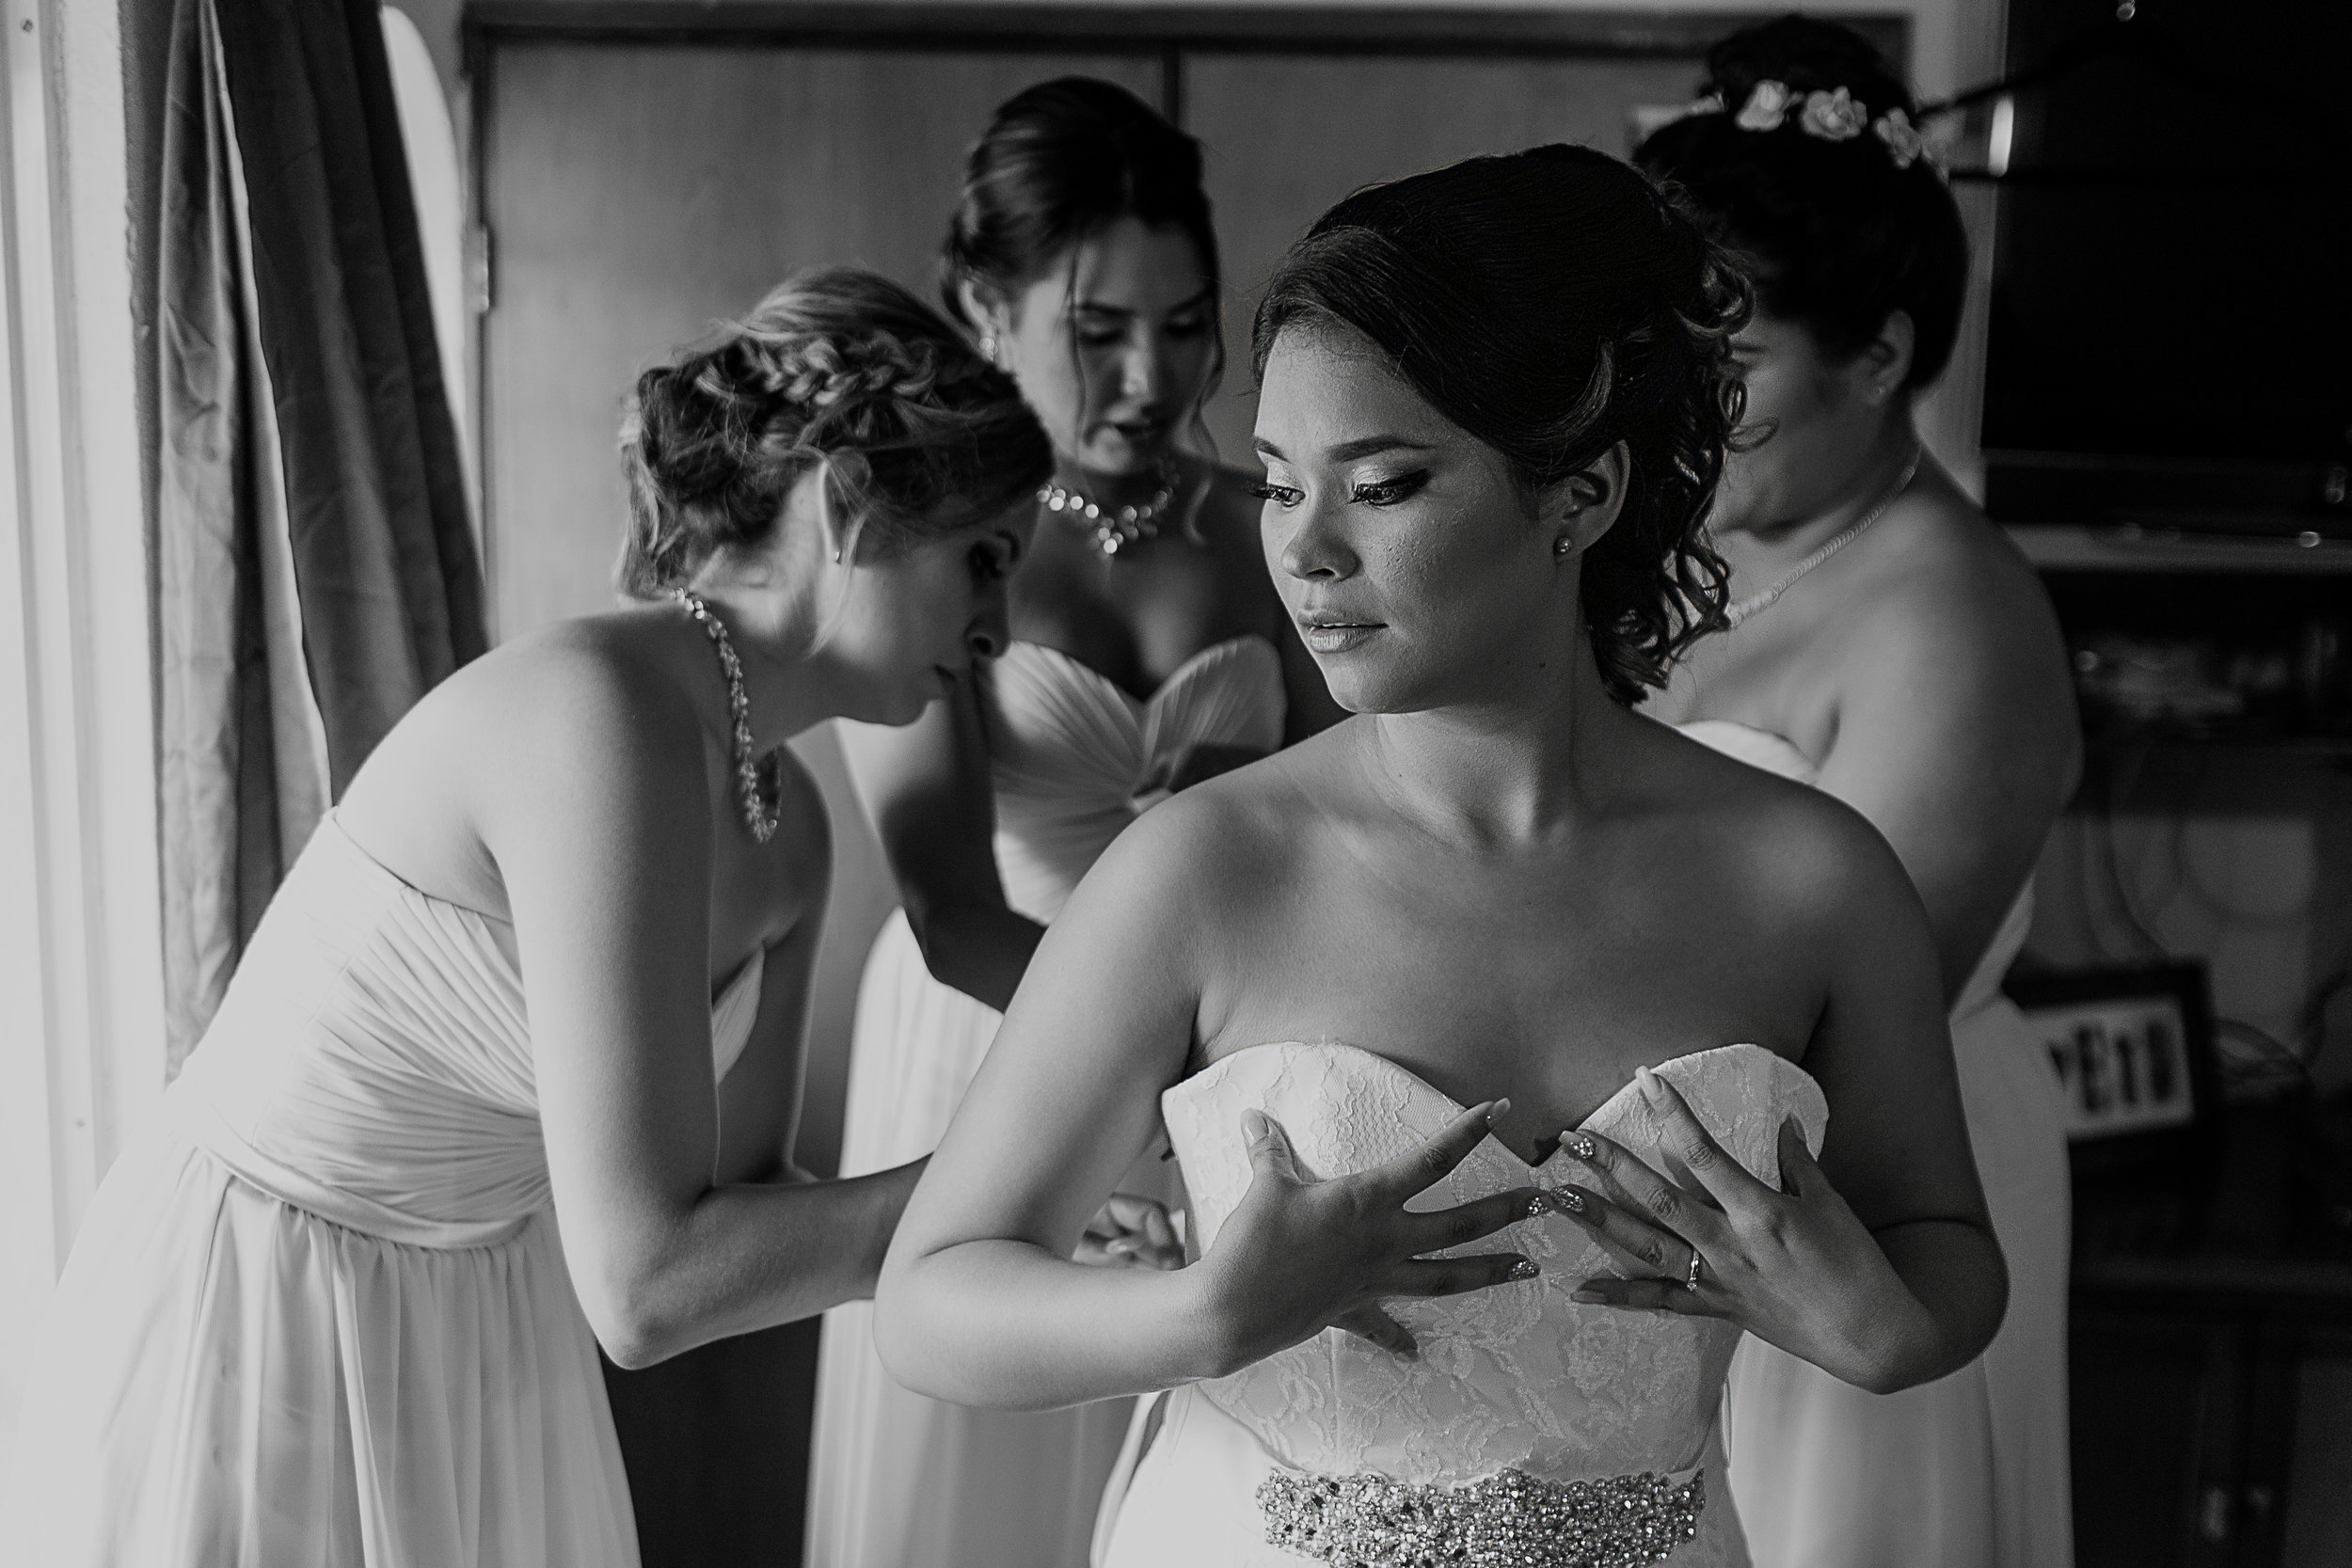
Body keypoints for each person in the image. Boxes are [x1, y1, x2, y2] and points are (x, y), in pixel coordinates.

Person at [871, 143, 2010, 1568]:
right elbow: (929, 1304)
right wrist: (1211, 1315)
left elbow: (1948, 1248)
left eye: (1386, 485)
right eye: (1281, 486)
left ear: (1581, 495)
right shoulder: (1202, 872)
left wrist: (1890, 1331)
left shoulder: (1813, 879)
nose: (1307, 553)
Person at [0, 267, 1050, 1568]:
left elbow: (747, 1214)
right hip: (277, 1306)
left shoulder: (793, 831)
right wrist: (1026, 1171)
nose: (1002, 629)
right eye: (984, 561)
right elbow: (654, 1284)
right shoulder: (595, 720)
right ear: (848, 509)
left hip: (485, 1319)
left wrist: (1020, 1228)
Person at [806, 78, 1338, 1568]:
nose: (1152, 374)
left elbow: (1339, 819)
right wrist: (1150, 1085)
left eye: (1185, 323)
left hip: (1224, 1054)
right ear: (985, 305)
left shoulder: (1272, 526)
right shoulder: (919, 542)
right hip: (994, 1036)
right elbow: (949, 908)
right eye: (1097, 332)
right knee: (980, 1488)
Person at [1638, 19, 2080, 1568]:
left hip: (1865, 1191)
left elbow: (1848, 1029)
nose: (1683, 403)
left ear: (1878, 357)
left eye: (1735, 361)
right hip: (1668, 1163)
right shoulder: (1698, 542)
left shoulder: (1950, 622)